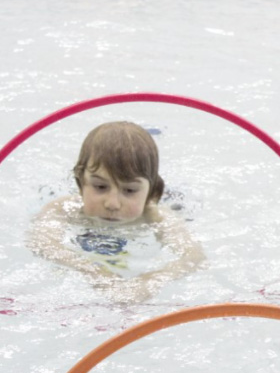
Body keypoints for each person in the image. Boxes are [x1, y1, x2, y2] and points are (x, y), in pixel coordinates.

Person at [28, 120, 204, 303]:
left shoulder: (157, 217)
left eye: (129, 191)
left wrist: (152, 280)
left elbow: (194, 257)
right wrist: (94, 272)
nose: (112, 204)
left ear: (152, 193)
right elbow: (41, 243)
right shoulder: (62, 210)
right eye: (100, 187)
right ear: (80, 183)